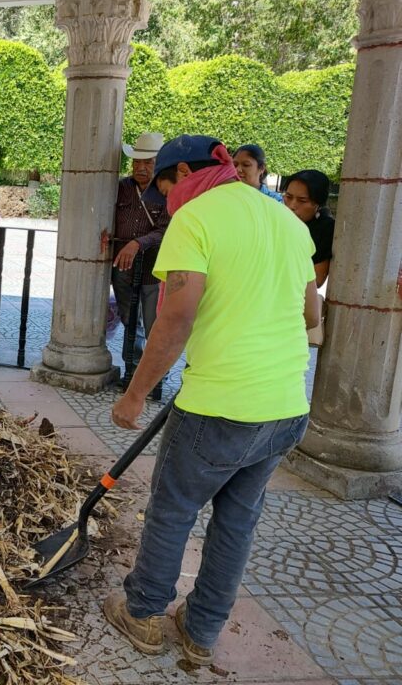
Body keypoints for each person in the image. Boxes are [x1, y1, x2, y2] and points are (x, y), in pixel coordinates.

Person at [105, 135, 320, 666]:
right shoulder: (287, 221)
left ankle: (143, 612)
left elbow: (175, 318)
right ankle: (202, 630)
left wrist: (134, 396)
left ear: (183, 173)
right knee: (238, 520)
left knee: (173, 509)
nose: (167, 202)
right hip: (285, 405)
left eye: (165, 189)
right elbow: (311, 315)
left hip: (219, 406)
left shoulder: (195, 219)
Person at [112, 132, 170, 396]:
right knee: (129, 321)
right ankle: (132, 372)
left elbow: (165, 229)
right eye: (137, 162)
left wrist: (138, 243)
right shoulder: (122, 187)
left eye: (148, 162)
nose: (141, 167)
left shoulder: (166, 191)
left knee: (155, 326)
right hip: (124, 268)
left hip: (153, 270)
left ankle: (154, 379)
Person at [283, 168, 335, 289]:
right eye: (288, 197)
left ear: (318, 203)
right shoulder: (275, 218)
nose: (292, 205)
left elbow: (317, 280)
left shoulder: (325, 229)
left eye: (302, 200)